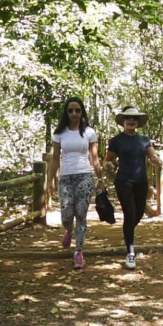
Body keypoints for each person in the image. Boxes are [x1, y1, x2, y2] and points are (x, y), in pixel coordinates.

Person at [48, 96, 105, 269]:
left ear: (82, 112)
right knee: (66, 216)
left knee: (81, 214)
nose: (74, 113)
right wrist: (49, 182)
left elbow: (94, 158)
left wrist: (100, 178)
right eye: (70, 110)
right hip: (66, 177)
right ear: (66, 113)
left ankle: (78, 252)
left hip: (84, 176)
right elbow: (55, 159)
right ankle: (69, 230)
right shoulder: (59, 133)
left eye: (77, 110)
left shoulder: (89, 132)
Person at [103, 105, 162, 269]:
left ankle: (127, 231)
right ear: (123, 121)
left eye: (134, 118)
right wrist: (108, 165)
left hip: (141, 181)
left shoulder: (144, 140)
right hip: (123, 181)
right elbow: (107, 160)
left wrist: (157, 160)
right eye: (128, 118)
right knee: (129, 213)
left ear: (138, 122)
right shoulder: (116, 141)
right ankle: (130, 253)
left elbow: (152, 155)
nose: (131, 121)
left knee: (138, 213)